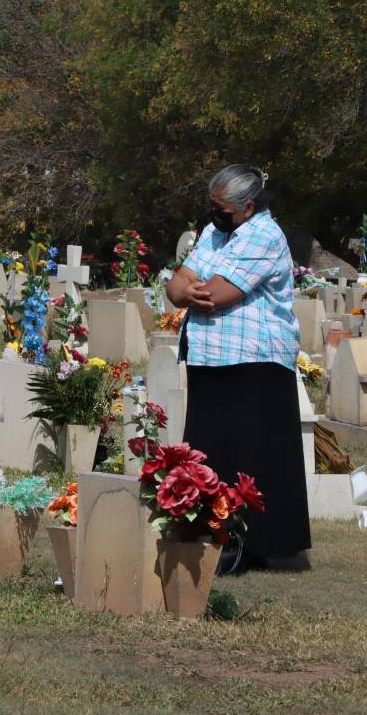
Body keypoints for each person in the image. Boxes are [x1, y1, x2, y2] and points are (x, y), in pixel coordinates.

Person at [166, 164, 309, 572]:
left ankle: (255, 546)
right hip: (211, 357)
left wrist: (190, 288)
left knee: (253, 457)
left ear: (248, 207)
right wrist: (183, 288)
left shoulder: (264, 234)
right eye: (213, 206)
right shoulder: (216, 233)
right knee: (211, 454)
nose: (215, 215)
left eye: (222, 208)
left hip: (255, 361)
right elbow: (176, 286)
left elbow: (217, 295)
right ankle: (212, 537)